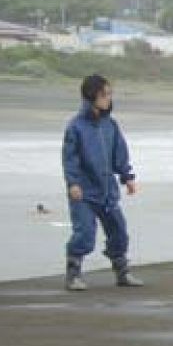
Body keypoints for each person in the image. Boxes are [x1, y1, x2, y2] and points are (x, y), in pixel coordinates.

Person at [62, 74, 144, 291]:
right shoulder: (76, 127)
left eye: (109, 94)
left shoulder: (111, 125)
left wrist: (127, 178)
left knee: (119, 231)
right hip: (84, 193)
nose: (109, 98)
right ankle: (73, 275)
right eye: (104, 94)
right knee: (85, 234)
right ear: (92, 96)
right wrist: (73, 183)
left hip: (107, 191)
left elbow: (120, 153)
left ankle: (122, 273)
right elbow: (70, 159)